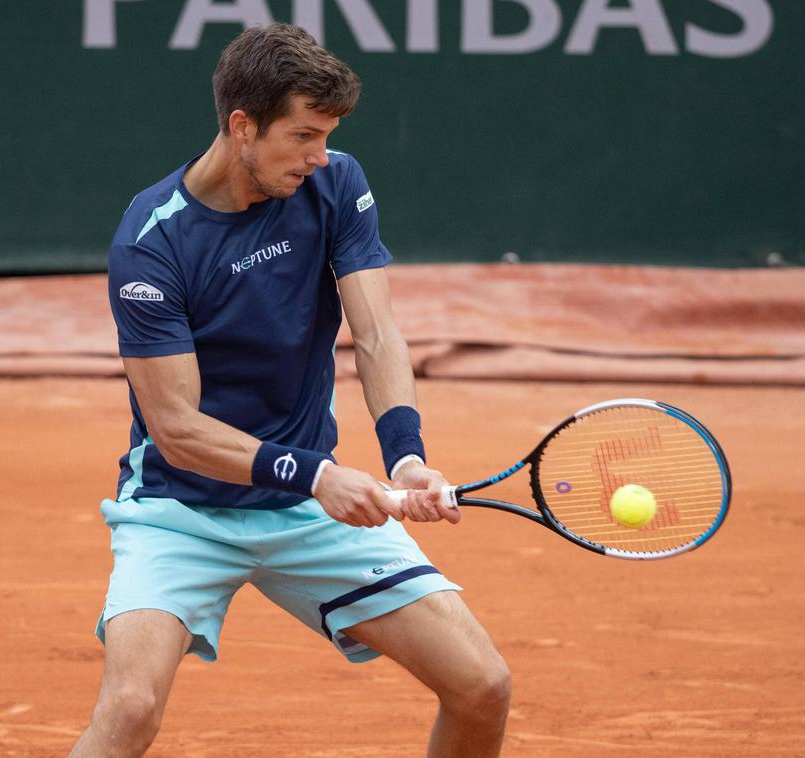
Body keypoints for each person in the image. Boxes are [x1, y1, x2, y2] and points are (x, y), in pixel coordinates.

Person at [69, 23, 511, 758]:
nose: (319, 155)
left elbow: (375, 332)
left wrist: (405, 457)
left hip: (308, 510)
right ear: (242, 126)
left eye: (328, 135)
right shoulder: (153, 242)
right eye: (303, 135)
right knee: (130, 710)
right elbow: (176, 428)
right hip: (182, 513)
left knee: (483, 686)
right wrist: (319, 473)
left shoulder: (335, 182)